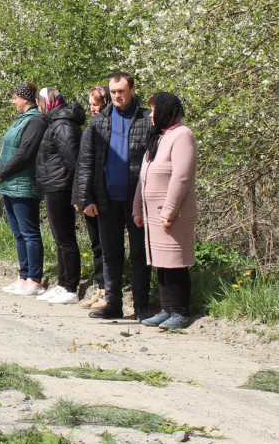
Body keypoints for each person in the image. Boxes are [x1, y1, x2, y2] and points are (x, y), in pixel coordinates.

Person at [75, 72, 154, 320]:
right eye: (113, 91)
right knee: (111, 254)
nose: (117, 95)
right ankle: (113, 303)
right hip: (106, 198)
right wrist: (85, 198)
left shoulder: (146, 120)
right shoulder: (99, 122)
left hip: (137, 201)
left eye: (121, 90)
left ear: (132, 90)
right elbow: (85, 162)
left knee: (140, 254)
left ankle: (142, 306)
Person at [134, 92, 197, 330]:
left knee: (175, 262)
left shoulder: (183, 135)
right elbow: (144, 176)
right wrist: (137, 208)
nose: (151, 115)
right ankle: (166, 309)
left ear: (167, 110)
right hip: (153, 213)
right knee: (161, 262)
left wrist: (169, 211)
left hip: (172, 214)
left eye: (154, 110)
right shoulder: (159, 137)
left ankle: (180, 312)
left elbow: (181, 177)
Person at [0, 84, 47, 295]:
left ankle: (34, 278)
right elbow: (8, 148)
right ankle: (23, 275)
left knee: (29, 233)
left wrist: (2, 172)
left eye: (15, 98)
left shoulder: (35, 121)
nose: (13, 102)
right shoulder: (21, 120)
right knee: (18, 233)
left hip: (24, 184)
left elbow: (25, 153)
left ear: (26, 99)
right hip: (10, 184)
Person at [34, 88, 86, 305]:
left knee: (66, 238)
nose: (39, 107)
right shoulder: (55, 122)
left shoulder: (62, 124)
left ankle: (71, 287)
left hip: (62, 186)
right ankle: (62, 283)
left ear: (48, 103)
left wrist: (77, 192)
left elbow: (73, 161)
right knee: (59, 238)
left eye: (40, 103)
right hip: (54, 185)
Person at [79, 85, 110, 309]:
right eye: (90, 105)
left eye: (96, 105)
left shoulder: (111, 127)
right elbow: (83, 165)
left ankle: (110, 290)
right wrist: (80, 197)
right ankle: (100, 287)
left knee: (109, 245)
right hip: (90, 195)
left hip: (107, 194)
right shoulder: (92, 126)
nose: (92, 109)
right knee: (96, 244)